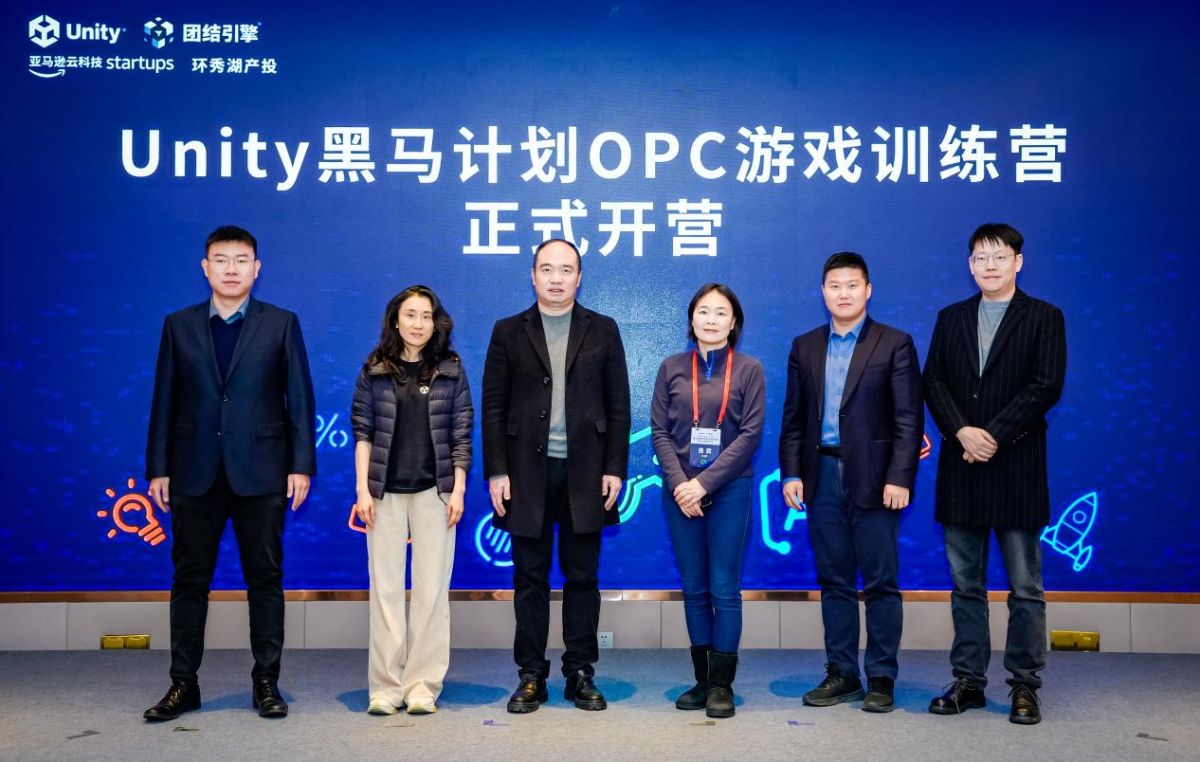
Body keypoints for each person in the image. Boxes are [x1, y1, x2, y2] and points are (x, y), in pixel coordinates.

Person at [143, 225, 316, 720]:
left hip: (261, 471)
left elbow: (299, 399)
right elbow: (163, 399)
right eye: (221, 260)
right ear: (206, 268)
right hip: (193, 471)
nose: (232, 269)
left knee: (265, 579)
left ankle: (266, 684)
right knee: (189, 579)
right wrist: (158, 467)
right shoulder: (178, 325)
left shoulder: (281, 323)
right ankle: (183, 684)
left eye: (241, 260)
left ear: (256, 269)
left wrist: (301, 465)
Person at [923, 223, 1066, 725]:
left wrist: (992, 436)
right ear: (970, 265)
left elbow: (1045, 385)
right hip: (961, 466)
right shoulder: (951, 317)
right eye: (980, 258)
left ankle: (1025, 684)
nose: (990, 266)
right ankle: (969, 681)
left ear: (1018, 262)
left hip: (1017, 465)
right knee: (966, 584)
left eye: (999, 257)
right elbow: (933, 381)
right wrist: (963, 432)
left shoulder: (1044, 317)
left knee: (1025, 586)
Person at [482, 238, 631, 713]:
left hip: (586, 472)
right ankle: (531, 675)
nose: (556, 278)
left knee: (583, 575)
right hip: (525, 473)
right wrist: (497, 470)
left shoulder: (603, 329)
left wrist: (615, 467)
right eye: (547, 268)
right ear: (533, 275)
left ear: (579, 278)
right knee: (529, 576)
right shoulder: (508, 331)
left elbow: (619, 406)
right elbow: (492, 407)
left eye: (566, 270)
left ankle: (580, 672)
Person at [779, 252, 923, 713]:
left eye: (852, 285)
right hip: (821, 475)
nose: (843, 293)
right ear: (823, 292)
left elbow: (908, 418)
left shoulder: (894, 343)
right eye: (834, 285)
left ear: (868, 290)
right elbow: (794, 418)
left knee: (881, 582)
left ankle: (881, 676)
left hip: (877, 480)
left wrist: (900, 476)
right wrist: (791, 473)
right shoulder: (805, 346)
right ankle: (842, 672)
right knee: (834, 580)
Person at [350, 285, 473, 716]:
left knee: (431, 593)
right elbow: (362, 432)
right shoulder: (374, 369)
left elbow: (461, 433)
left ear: (436, 323)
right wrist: (362, 490)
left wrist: (458, 488)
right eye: (410, 315)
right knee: (384, 591)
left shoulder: (451, 369)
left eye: (426, 316)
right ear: (395, 320)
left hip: (435, 492)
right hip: (383, 493)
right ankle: (385, 687)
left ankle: (422, 685)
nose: (418, 324)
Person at [651, 283, 765, 719]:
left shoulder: (749, 369)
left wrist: (704, 484)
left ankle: (722, 686)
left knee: (724, 587)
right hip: (680, 490)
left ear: (733, 322)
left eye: (721, 312)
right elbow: (660, 431)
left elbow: (750, 435)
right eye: (703, 311)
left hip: (730, 489)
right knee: (695, 588)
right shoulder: (671, 367)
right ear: (692, 318)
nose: (711, 319)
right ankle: (702, 680)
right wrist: (682, 484)